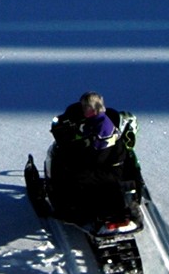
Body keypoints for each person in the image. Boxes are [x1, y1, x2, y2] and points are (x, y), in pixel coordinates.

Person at [49, 92, 143, 227]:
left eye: (84, 107)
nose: (82, 110)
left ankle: (74, 213)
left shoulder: (104, 128)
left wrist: (81, 156)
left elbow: (99, 155)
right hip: (108, 163)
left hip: (110, 168)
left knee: (75, 176)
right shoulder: (99, 120)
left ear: (91, 109)